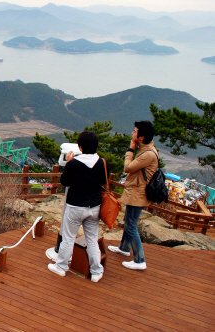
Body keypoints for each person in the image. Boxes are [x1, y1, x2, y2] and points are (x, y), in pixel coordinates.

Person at [48, 131, 108, 283]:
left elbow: (64, 181)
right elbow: (102, 180)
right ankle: (96, 272)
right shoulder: (102, 162)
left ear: (80, 148)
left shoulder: (74, 163)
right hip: (94, 207)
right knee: (92, 239)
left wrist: (69, 162)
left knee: (68, 238)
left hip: (75, 206)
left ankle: (61, 267)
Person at [108, 121, 157, 270]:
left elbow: (127, 167)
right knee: (128, 222)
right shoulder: (146, 149)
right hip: (136, 191)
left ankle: (140, 260)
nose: (132, 133)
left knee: (131, 226)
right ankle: (124, 247)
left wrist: (130, 149)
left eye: (134, 132)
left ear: (141, 137)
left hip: (138, 194)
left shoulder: (147, 154)